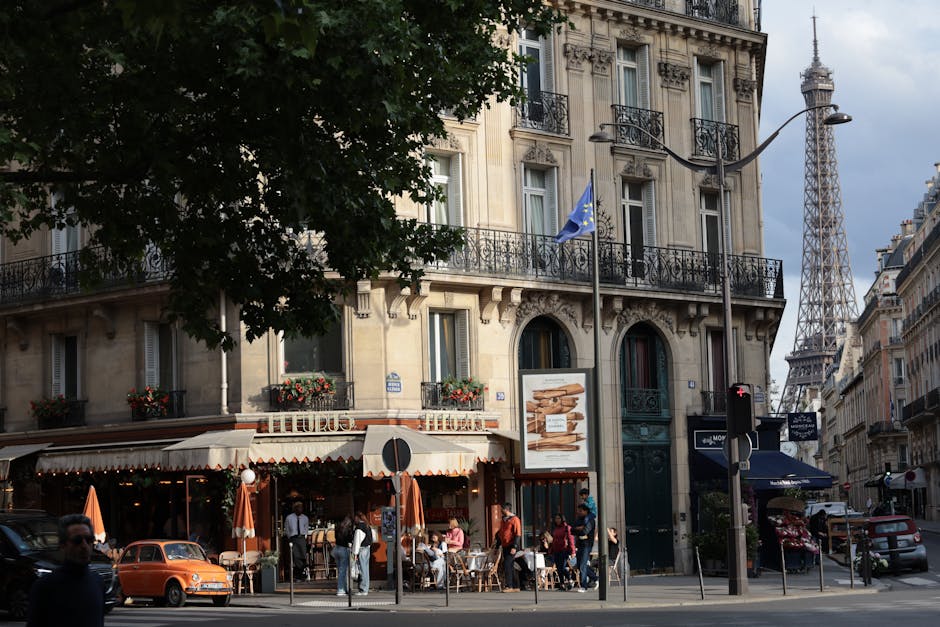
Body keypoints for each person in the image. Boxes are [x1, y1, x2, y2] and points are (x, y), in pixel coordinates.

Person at [27, 513, 105, 627]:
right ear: (63, 545)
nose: (84, 546)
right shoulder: (45, 587)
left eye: (89, 540)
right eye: (77, 541)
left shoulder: (98, 582)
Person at [572, 503, 597, 592]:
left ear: (586, 511)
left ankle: (584, 586)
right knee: (579, 565)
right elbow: (572, 530)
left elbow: (585, 531)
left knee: (582, 565)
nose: (579, 512)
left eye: (580, 511)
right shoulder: (579, 519)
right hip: (580, 544)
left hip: (587, 545)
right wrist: (579, 528)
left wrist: (578, 530)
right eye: (578, 510)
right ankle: (596, 578)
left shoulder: (590, 520)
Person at [497, 502, 522, 592]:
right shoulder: (504, 520)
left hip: (512, 545)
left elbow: (518, 534)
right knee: (510, 565)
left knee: (507, 565)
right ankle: (516, 586)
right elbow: (501, 533)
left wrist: (514, 546)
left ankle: (509, 586)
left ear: (506, 509)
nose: (501, 511)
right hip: (505, 545)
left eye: (502, 509)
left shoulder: (515, 519)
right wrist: (498, 544)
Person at [284, 502, 310, 581]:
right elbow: (287, 528)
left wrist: (304, 536)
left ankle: (303, 573)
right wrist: (290, 537)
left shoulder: (305, 518)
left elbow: (306, 528)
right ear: (295, 508)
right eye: (298, 507)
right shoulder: (289, 518)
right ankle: (299, 575)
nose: (300, 509)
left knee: (303, 556)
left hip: (301, 538)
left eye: (301, 507)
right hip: (294, 538)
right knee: (296, 557)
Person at [550, 514, 576, 590]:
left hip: (564, 550)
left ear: (562, 519)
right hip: (556, 550)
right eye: (556, 518)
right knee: (558, 568)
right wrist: (551, 549)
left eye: (559, 518)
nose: (557, 520)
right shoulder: (555, 529)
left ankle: (570, 579)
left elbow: (571, 540)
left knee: (562, 567)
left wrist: (573, 551)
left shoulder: (567, 528)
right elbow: (554, 540)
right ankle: (562, 584)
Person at [351, 511, 372, 596]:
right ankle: (366, 588)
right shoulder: (367, 525)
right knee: (366, 569)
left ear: (357, 518)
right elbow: (371, 538)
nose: (354, 519)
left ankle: (363, 589)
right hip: (367, 549)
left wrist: (355, 553)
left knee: (362, 569)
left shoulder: (359, 528)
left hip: (362, 549)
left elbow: (357, 541)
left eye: (355, 518)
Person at [332, 515, 354, 596]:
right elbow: (349, 540)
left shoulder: (337, 528)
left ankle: (344, 588)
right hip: (344, 549)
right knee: (343, 571)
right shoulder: (348, 529)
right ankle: (341, 590)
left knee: (340, 570)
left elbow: (335, 537)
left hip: (336, 549)